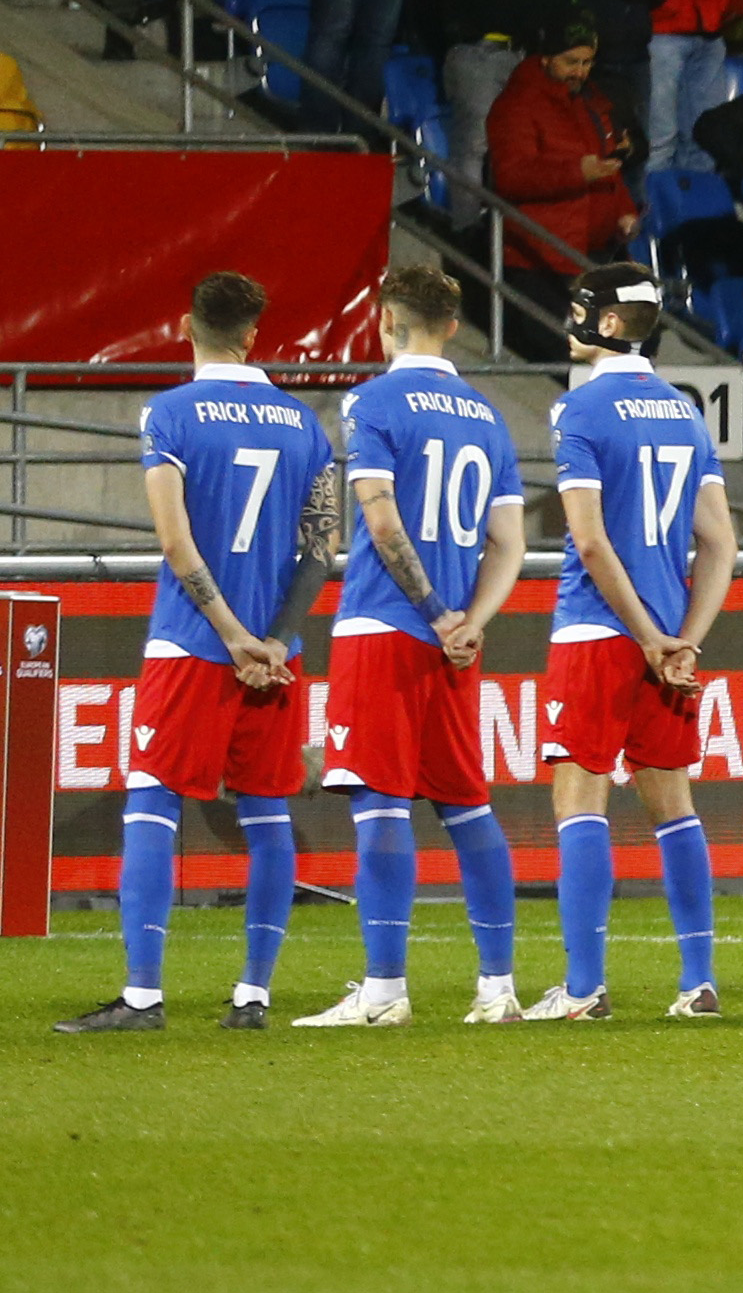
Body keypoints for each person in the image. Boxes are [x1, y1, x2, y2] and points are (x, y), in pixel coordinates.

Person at [61, 274, 338, 1035]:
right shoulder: (302, 423)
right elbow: (322, 547)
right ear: (254, 334)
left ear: (187, 323)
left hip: (192, 642)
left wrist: (227, 632)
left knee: (152, 798)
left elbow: (174, 538)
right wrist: (274, 638)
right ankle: (253, 995)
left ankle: (143, 996)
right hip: (277, 653)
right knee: (266, 808)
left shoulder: (171, 414)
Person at [295, 266, 528, 1029]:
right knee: (466, 802)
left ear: (385, 322)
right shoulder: (487, 416)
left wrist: (431, 610)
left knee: (380, 801)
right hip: (457, 642)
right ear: (454, 325)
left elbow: (382, 520)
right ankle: (497, 989)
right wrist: (469, 620)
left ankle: (384, 990)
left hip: (386, 627)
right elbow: (510, 543)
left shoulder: (372, 400)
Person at [512, 263, 738, 1019]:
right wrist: (684, 641)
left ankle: (584, 989)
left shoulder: (579, 409)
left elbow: (590, 540)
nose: (568, 318)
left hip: (599, 629)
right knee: (674, 802)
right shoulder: (683, 410)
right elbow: (720, 542)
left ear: (607, 323)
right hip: (667, 636)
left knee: (580, 797)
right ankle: (697, 981)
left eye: (579, 308)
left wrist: (646, 636)